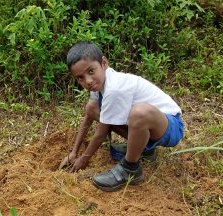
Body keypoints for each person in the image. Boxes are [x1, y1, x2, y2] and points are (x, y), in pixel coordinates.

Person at [59, 41, 184, 192]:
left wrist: (84, 158)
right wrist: (73, 152)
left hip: (170, 125)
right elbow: (89, 117)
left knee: (139, 112)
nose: (88, 81)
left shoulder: (114, 88)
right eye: (80, 78)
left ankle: (130, 168)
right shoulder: (98, 85)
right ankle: (145, 151)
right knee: (92, 107)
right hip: (151, 125)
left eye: (91, 71)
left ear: (104, 63)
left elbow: (100, 133)